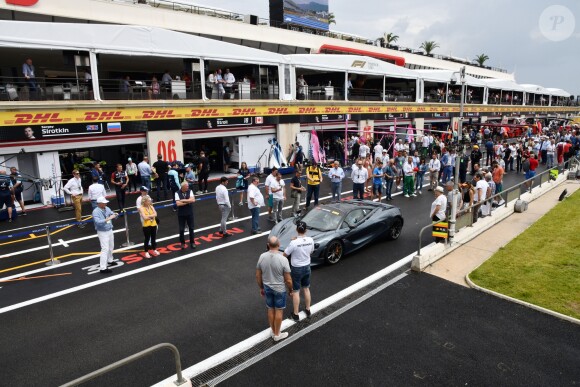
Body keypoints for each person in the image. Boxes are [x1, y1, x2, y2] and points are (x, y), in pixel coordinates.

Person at [256, 236, 293, 342]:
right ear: (279, 245)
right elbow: (288, 280)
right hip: (279, 289)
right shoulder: (283, 259)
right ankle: (277, 334)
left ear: (268, 245)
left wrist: (261, 287)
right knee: (279, 311)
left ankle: (273, 330)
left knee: (270, 309)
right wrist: (291, 290)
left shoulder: (262, 257)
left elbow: (258, 276)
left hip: (267, 288)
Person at [283, 221, 315, 322]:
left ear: (297, 230)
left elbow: (285, 254)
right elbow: (311, 251)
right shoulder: (310, 240)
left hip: (296, 268)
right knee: (306, 288)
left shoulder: (294, 242)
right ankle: (308, 309)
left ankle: (296, 314)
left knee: (296, 291)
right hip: (307, 267)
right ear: (305, 230)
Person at [92, 196, 119, 274]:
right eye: (104, 203)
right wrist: (108, 219)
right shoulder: (95, 211)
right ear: (99, 204)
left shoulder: (107, 208)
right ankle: (103, 268)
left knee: (111, 246)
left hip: (109, 229)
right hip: (102, 232)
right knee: (104, 249)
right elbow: (97, 222)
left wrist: (115, 214)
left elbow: (112, 214)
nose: (106, 204)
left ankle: (110, 260)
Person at [175, 181, 196, 249]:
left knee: (191, 228)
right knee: (181, 229)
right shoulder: (177, 193)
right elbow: (178, 204)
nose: (188, 187)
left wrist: (183, 200)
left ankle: (192, 242)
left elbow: (193, 200)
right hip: (181, 214)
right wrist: (188, 201)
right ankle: (182, 243)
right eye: (186, 186)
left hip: (189, 213)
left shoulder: (190, 191)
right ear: (183, 187)